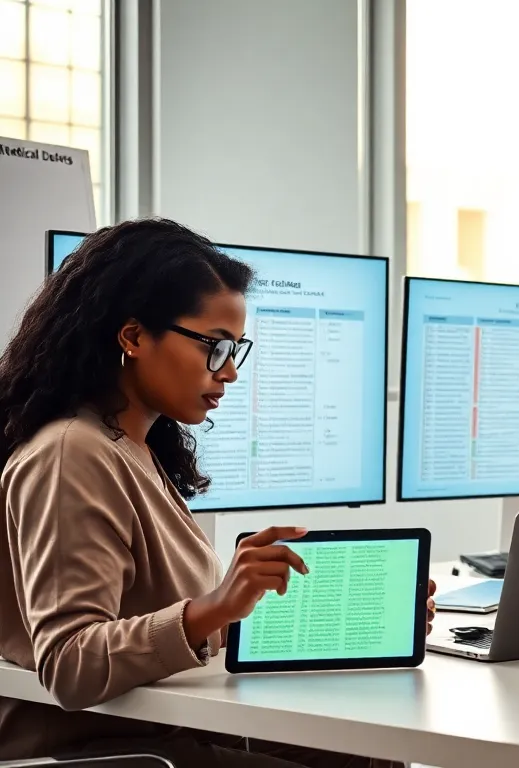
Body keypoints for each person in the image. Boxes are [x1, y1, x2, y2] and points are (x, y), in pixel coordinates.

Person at [0, 218, 435, 768]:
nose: (229, 372)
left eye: (236, 350)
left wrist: (364, 620)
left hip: (166, 730)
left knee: (371, 754)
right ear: (132, 337)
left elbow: (176, 627)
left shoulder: (131, 448)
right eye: (215, 347)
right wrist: (213, 607)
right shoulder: (71, 452)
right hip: (102, 752)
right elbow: (70, 664)